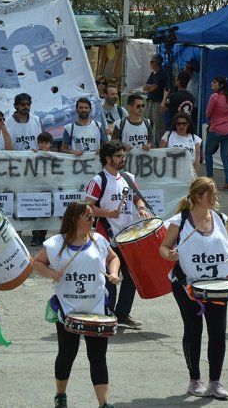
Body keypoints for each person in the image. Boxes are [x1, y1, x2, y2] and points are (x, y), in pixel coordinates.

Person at [158, 177, 228, 400]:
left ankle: (215, 383)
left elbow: (223, 244)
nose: (216, 197)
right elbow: (163, 247)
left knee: (218, 332)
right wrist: (168, 254)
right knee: (193, 329)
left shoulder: (219, 218)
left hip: (217, 284)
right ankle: (194, 380)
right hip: (186, 285)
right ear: (198, 197)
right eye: (211, 193)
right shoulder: (179, 221)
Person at [32, 200, 120, 408]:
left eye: (92, 216)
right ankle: (60, 395)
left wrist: (114, 273)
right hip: (68, 309)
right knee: (67, 354)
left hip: (96, 309)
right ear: (74, 218)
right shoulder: (55, 244)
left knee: (98, 357)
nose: (92, 219)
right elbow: (36, 263)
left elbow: (113, 258)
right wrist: (52, 273)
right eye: (88, 216)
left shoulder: (99, 240)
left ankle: (103, 403)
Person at [85, 141, 149, 329]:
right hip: (107, 236)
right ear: (107, 158)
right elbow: (87, 207)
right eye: (119, 156)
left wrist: (142, 208)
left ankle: (122, 314)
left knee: (131, 278)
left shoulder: (128, 178)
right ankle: (107, 315)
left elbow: (137, 198)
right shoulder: (98, 181)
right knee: (110, 279)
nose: (123, 159)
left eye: (123, 155)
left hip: (128, 237)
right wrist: (108, 214)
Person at [31, 132, 55, 247]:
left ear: (50, 144)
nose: (44, 145)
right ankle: (35, 236)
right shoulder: (34, 155)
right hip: (36, 187)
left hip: (49, 188)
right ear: (38, 143)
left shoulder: (55, 156)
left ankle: (43, 235)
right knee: (35, 211)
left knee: (46, 212)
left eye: (46, 143)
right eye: (41, 143)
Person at [143, 54, 167, 142]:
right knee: (148, 123)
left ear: (157, 62)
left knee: (158, 125)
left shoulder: (162, 74)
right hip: (150, 101)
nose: (150, 63)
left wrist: (150, 87)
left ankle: (160, 144)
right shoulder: (152, 74)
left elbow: (153, 87)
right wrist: (149, 87)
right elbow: (146, 87)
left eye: (152, 61)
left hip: (158, 102)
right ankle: (149, 142)